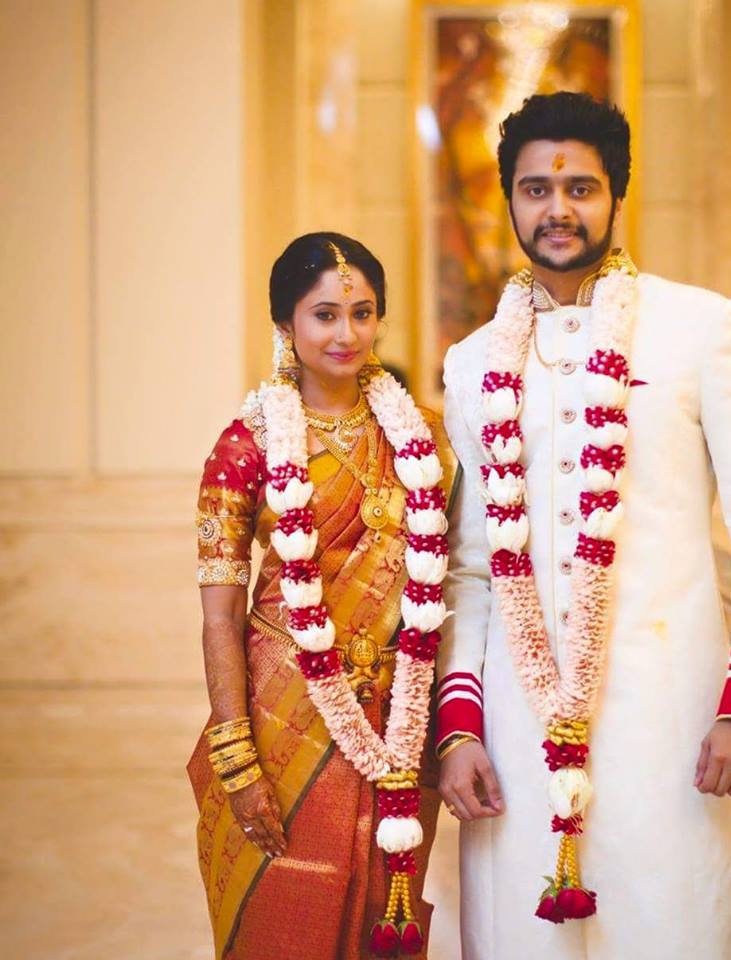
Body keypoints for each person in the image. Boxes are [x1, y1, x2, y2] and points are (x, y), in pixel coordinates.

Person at [436, 92, 731, 958]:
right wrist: (459, 727)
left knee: (680, 924)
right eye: (534, 189)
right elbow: (472, 565)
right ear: (509, 201)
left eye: (580, 187)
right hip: (520, 735)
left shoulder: (704, 328)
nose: (557, 208)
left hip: (672, 718)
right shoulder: (472, 362)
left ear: (616, 196)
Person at [187, 232, 457, 960]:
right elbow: (219, 613)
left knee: (384, 917)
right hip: (287, 719)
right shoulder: (244, 446)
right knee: (284, 921)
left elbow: (457, 581)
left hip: (401, 714)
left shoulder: (425, 441)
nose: (347, 333)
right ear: (286, 326)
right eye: (324, 315)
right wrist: (235, 754)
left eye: (363, 313)